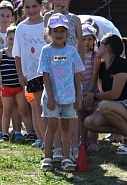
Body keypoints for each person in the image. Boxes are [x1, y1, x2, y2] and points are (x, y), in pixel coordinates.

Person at [83, 33, 127, 154]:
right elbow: (102, 89)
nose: (97, 47)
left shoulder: (121, 64)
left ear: (107, 47)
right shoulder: (103, 67)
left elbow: (114, 94)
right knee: (90, 122)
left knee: (103, 106)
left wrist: (93, 96)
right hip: (121, 109)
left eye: (99, 44)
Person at [38, 13, 83, 171]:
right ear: (49, 33)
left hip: (69, 97)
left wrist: (79, 96)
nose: (59, 34)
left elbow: (77, 73)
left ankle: (66, 157)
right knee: (52, 127)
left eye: (62, 31)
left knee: (65, 127)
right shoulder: (46, 51)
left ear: (67, 33)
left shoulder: (71, 51)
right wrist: (50, 96)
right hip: (52, 99)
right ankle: (47, 158)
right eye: (55, 31)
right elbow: (46, 74)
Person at [12, 0, 46, 147]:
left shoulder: (48, 23)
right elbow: (17, 53)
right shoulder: (21, 27)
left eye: (34, 6)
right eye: (27, 7)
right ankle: (41, 137)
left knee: (50, 105)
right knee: (36, 105)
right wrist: (20, 74)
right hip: (31, 73)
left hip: (50, 71)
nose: (31, 10)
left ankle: (53, 137)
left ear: (41, 6)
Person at [1, 26, 35, 144]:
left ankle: (30, 132)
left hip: (19, 87)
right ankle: (5, 133)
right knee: (6, 111)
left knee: (23, 110)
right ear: (6, 39)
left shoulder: (21, 55)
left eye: (15, 40)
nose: (12, 42)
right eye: (10, 39)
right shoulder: (2, 54)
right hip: (6, 87)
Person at [78, 23, 100, 152]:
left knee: (92, 117)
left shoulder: (95, 56)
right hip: (79, 90)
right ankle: (83, 141)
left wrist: (90, 92)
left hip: (91, 90)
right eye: (84, 39)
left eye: (89, 39)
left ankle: (94, 142)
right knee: (81, 117)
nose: (86, 42)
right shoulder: (76, 54)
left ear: (94, 40)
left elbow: (94, 75)